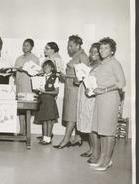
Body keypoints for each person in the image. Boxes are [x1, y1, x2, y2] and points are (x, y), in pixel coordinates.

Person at [88, 37, 126, 171]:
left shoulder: (115, 63)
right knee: (102, 131)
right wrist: (91, 89)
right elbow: (99, 82)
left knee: (108, 132)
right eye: (101, 48)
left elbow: (121, 83)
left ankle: (107, 160)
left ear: (112, 51)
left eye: (106, 48)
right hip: (100, 100)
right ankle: (103, 158)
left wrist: (103, 89)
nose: (102, 50)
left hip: (110, 100)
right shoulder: (102, 64)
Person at [54, 35, 90, 149]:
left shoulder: (83, 56)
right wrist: (64, 76)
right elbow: (74, 73)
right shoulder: (76, 56)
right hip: (70, 88)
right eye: (68, 45)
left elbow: (86, 75)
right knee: (73, 114)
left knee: (71, 115)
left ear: (78, 45)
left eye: (71, 46)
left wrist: (77, 79)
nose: (68, 48)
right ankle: (77, 138)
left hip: (76, 89)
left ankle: (66, 139)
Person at [77, 43, 101, 158]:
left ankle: (96, 151)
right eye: (91, 52)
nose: (92, 54)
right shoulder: (90, 65)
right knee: (88, 125)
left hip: (93, 98)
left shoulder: (101, 66)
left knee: (93, 127)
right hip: (85, 97)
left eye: (95, 52)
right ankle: (92, 148)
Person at [14, 38, 40, 135]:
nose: (25, 47)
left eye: (27, 45)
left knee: (27, 109)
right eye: (24, 45)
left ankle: (27, 131)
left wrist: (24, 70)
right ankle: (21, 131)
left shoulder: (35, 59)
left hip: (29, 87)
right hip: (19, 87)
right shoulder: (19, 58)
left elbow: (37, 73)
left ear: (32, 47)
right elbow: (15, 73)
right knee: (20, 109)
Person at [34, 60, 59, 144]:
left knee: (49, 121)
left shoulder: (55, 77)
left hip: (50, 101)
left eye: (48, 67)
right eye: (44, 66)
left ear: (52, 68)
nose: (46, 68)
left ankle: (48, 138)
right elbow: (38, 88)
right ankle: (44, 138)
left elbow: (56, 92)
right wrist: (37, 89)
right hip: (42, 101)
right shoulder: (41, 77)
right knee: (44, 120)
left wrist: (45, 92)